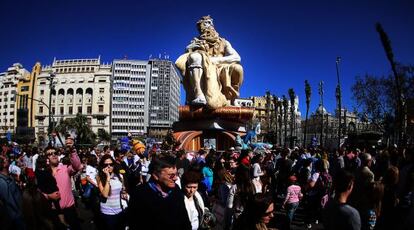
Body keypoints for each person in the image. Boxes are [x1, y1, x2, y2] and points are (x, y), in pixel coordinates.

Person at [176, 15, 243, 108]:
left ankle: (233, 98)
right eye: (204, 26)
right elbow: (187, 58)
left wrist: (215, 60)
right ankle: (199, 94)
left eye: (209, 24)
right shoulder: (197, 42)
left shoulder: (223, 42)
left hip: (221, 69)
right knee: (195, 57)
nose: (207, 27)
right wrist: (188, 49)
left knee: (237, 68)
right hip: (205, 70)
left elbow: (236, 57)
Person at [128, 155, 191, 230]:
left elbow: (184, 218)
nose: (175, 178)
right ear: (156, 175)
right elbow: (135, 224)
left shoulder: (176, 190)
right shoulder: (139, 194)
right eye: (171, 175)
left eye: (176, 174)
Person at [46, 144, 82, 230]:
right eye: (50, 154)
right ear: (47, 158)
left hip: (69, 210)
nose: (53, 154)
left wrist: (73, 151)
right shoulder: (45, 173)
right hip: (54, 211)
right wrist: (48, 196)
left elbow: (77, 166)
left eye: (55, 153)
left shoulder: (65, 168)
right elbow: (39, 191)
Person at [97, 154, 128, 230]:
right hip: (108, 212)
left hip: (120, 210)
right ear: (102, 166)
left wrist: (124, 193)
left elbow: (123, 189)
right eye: (106, 164)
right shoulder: (99, 177)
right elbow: (105, 195)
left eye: (111, 164)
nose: (109, 166)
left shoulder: (119, 176)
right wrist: (108, 177)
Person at [0, 155, 25, 230]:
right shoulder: (2, 182)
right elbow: (10, 203)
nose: (7, 158)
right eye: (5, 158)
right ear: (3, 164)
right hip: (16, 218)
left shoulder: (9, 177)